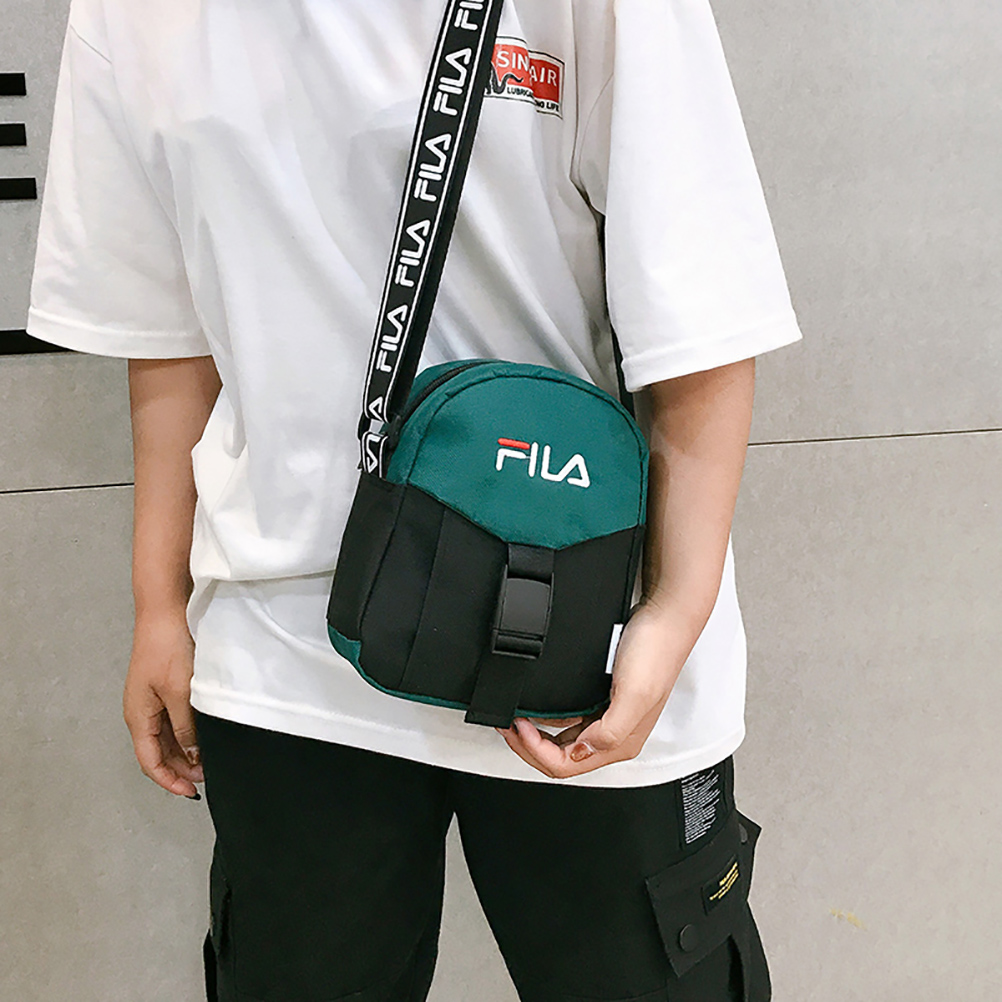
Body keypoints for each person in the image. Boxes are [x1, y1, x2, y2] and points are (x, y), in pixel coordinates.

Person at [28, 0, 803, 999]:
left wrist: (677, 609)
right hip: (289, 653)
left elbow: (700, 309)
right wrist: (156, 604)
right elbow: (169, 329)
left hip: (585, 646)